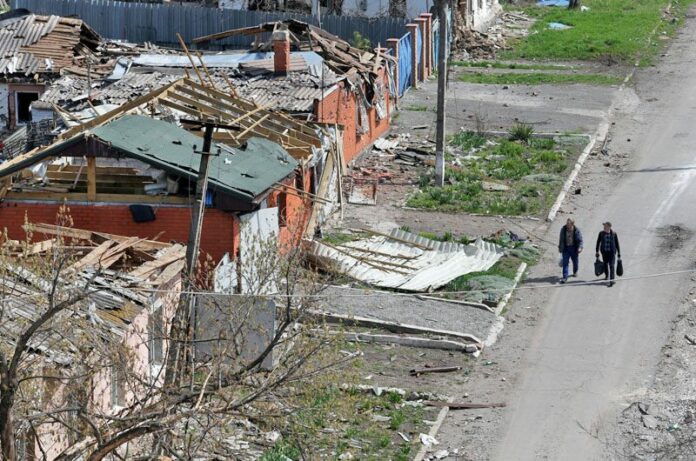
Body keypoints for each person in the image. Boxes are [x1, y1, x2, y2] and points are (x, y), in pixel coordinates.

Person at [595, 221, 621, 287]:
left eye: (605, 226)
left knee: (611, 266)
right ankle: (607, 276)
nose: (604, 227)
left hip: (611, 253)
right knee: (605, 264)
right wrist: (597, 251)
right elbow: (598, 243)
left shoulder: (614, 234)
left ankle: (612, 280)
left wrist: (619, 253)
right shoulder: (601, 233)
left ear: (609, 227)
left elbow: (617, 244)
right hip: (604, 253)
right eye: (604, 226)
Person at [558, 218, 583, 284]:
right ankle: (565, 277)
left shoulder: (576, 230)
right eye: (566, 223)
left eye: (568, 223)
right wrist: (560, 247)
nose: (567, 224)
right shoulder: (563, 229)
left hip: (574, 249)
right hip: (566, 249)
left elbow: (580, 240)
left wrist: (580, 247)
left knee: (575, 262)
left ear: (572, 224)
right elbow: (561, 239)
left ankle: (575, 271)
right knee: (565, 263)